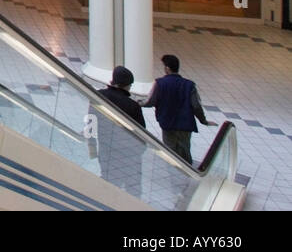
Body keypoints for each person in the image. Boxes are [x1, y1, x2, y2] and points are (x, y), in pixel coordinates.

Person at [143, 54, 213, 166]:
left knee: (170, 153)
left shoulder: (160, 83)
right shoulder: (189, 85)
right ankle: (187, 174)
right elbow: (196, 106)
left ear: (167, 68)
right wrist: (203, 120)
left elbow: (150, 102)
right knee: (185, 152)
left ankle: (174, 176)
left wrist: (137, 103)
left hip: (167, 124)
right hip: (185, 125)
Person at [88, 66, 147, 198]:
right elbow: (142, 134)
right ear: (127, 86)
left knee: (109, 186)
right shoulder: (133, 106)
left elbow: (90, 123)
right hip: (130, 155)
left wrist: (91, 146)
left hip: (106, 151)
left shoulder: (98, 96)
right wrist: (139, 151)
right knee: (133, 190)